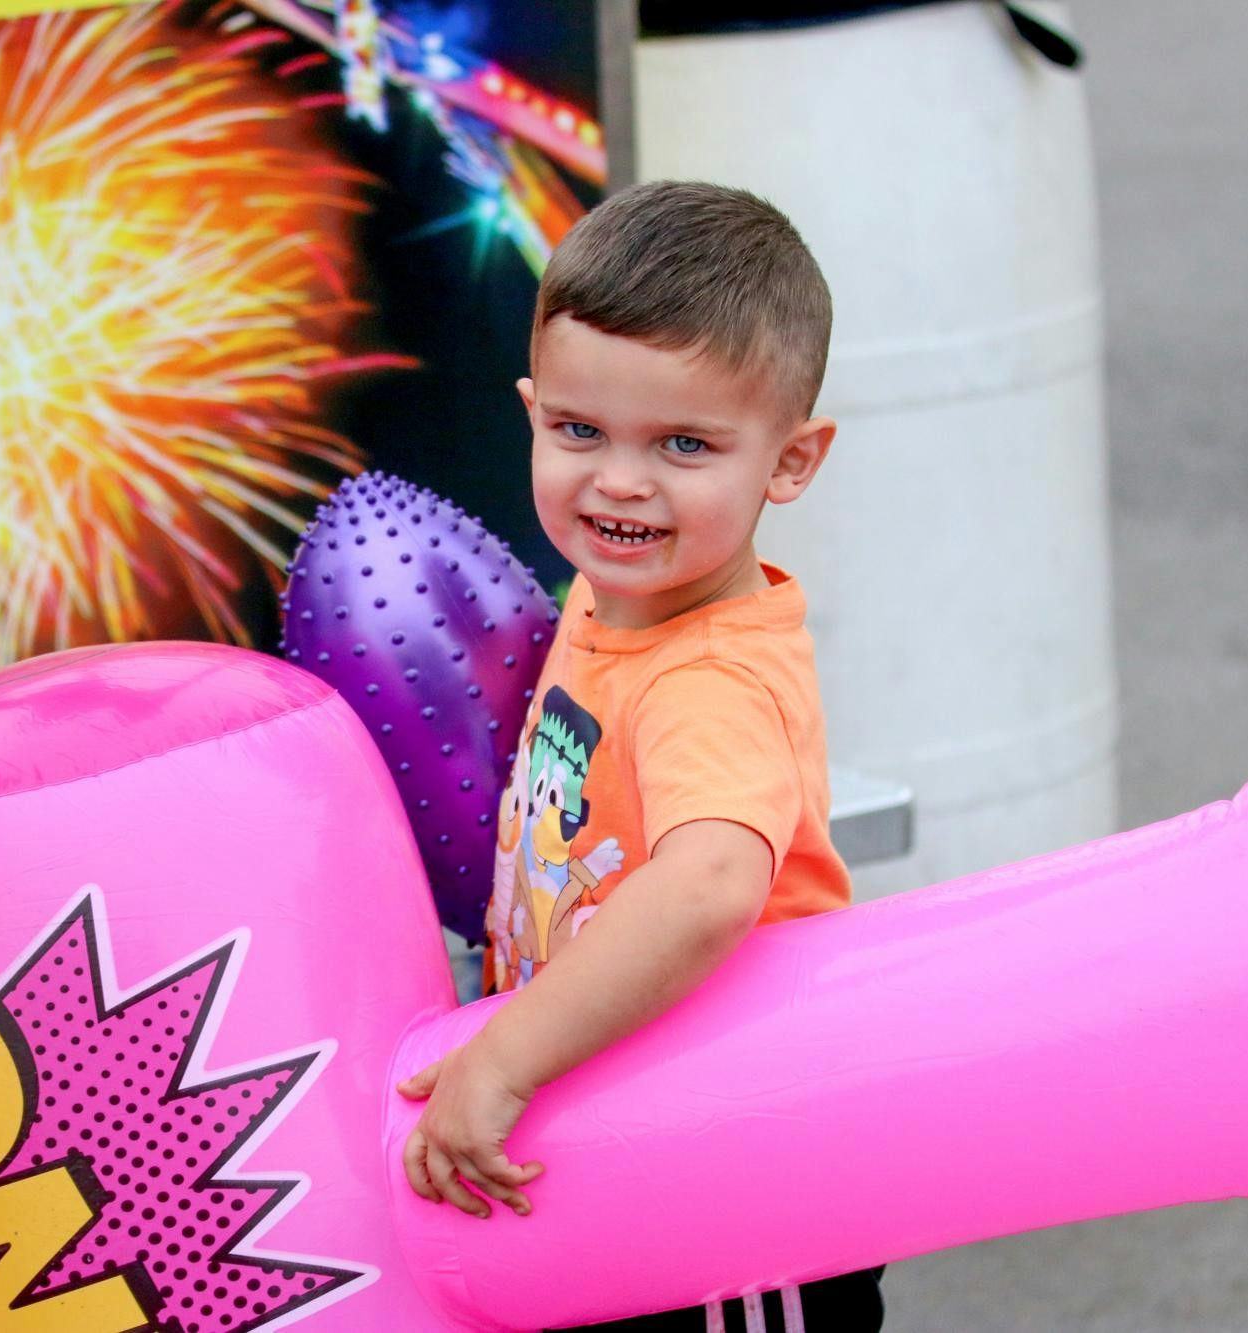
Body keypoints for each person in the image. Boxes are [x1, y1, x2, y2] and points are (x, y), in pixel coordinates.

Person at [397, 180, 885, 1332]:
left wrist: (508, 1055)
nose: (619, 481)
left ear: (791, 459)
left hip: (739, 1185)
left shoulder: (704, 675)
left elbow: (710, 882)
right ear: (530, 409)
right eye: (579, 431)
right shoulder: (618, 586)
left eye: (683, 444)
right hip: (637, 1135)